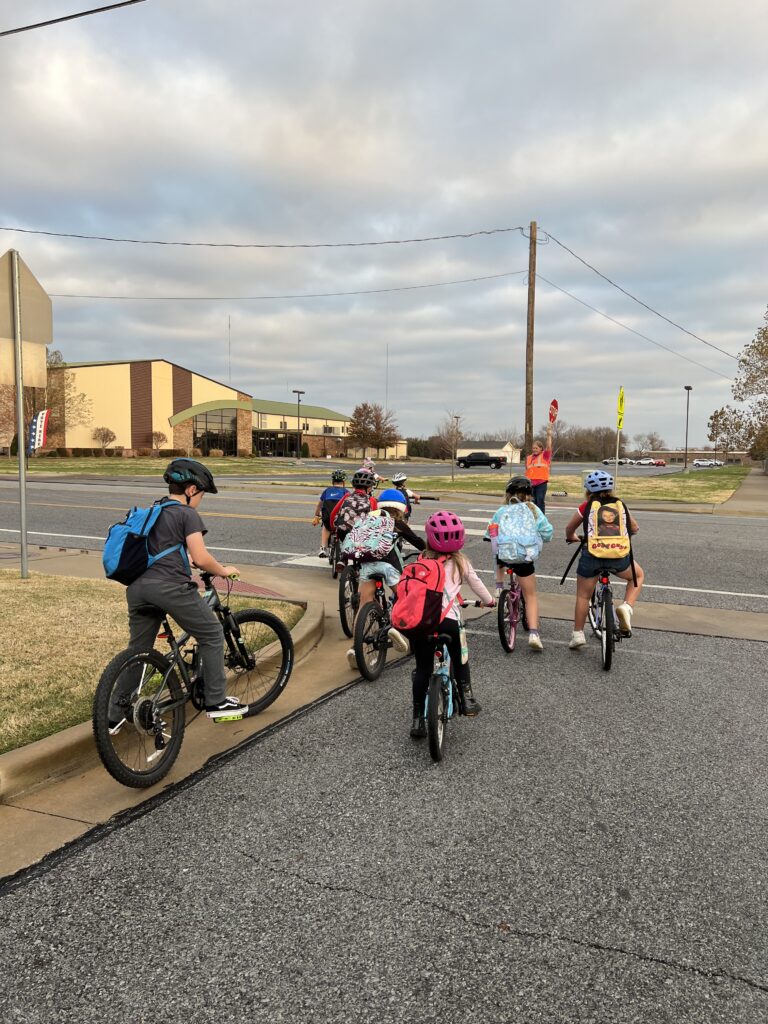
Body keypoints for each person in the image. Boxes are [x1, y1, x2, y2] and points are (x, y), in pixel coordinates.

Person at [124, 458, 245, 720]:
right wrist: (223, 570)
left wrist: (189, 562)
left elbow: (169, 551)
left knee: (139, 652)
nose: (201, 499)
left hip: (137, 588)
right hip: (168, 587)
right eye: (202, 494)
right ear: (191, 490)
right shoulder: (186, 513)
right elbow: (200, 557)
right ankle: (216, 702)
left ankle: (114, 714)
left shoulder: (155, 511)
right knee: (212, 633)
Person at [405, 511, 495, 739]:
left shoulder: (422, 560)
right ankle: (466, 698)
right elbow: (477, 585)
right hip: (449, 621)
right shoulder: (460, 561)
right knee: (460, 659)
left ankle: (417, 719)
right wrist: (490, 601)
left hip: (422, 622)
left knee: (423, 669)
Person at [344, 489, 425, 669]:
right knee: (406, 599)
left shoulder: (367, 520)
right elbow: (420, 544)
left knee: (364, 604)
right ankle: (397, 628)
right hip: (389, 566)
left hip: (367, 566)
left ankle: (355, 648)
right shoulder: (397, 523)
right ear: (402, 508)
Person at [564, 469, 645, 649]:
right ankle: (627, 607)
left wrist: (572, 537)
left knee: (583, 596)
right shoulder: (619, 505)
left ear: (588, 490)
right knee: (637, 576)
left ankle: (578, 634)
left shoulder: (586, 506)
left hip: (592, 556)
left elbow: (569, 528)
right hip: (618, 556)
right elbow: (635, 527)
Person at [485, 476, 553, 650]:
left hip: (506, 555)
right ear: (529, 494)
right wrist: (544, 538)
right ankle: (534, 634)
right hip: (524, 556)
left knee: (497, 553)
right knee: (530, 596)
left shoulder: (502, 511)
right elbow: (547, 532)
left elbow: (490, 532)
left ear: (508, 494)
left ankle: (499, 586)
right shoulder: (533, 509)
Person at [329, 468, 378, 545]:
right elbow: (375, 520)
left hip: (343, 532)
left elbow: (333, 514)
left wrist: (333, 529)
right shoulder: (372, 500)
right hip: (362, 535)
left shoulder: (347, 496)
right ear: (369, 488)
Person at [312, 470, 348, 557]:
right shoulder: (346, 492)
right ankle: (346, 548)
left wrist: (316, 515)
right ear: (343, 482)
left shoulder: (327, 491)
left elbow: (319, 505)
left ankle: (323, 548)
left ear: (332, 482)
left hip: (328, 518)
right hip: (341, 519)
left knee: (326, 527)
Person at [525, 423, 553, 513]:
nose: (534, 450)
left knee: (540, 501)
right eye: (533, 448)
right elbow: (527, 470)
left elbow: (548, 446)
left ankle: (541, 519)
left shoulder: (545, 456)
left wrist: (549, 435)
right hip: (531, 483)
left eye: (536, 448)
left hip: (541, 483)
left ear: (541, 449)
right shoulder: (529, 458)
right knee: (532, 502)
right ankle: (533, 518)